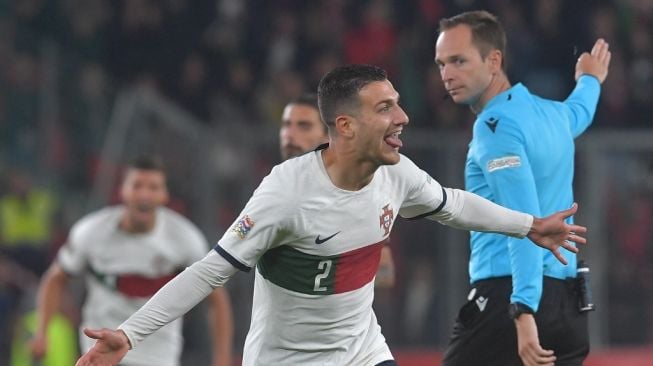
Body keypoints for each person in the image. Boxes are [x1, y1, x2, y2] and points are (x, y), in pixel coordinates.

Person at [75, 64, 586, 366]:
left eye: (398, 104)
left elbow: (452, 205)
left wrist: (531, 226)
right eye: (385, 107)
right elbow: (211, 269)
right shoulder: (285, 193)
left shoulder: (397, 174)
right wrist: (129, 334)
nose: (403, 117)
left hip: (362, 351)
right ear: (345, 125)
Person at [434, 10, 611, 366]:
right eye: (441, 64)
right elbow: (581, 112)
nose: (447, 74)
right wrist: (590, 79)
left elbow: (526, 223)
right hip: (569, 305)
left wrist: (524, 309)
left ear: (494, 60)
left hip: (510, 296)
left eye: (459, 61)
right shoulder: (552, 115)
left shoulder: (495, 127)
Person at [31, 156, 234, 366]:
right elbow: (56, 278)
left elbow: (216, 298)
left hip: (158, 357)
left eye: (153, 187)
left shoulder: (185, 239)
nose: (144, 194)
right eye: (137, 186)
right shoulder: (91, 232)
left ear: (164, 195)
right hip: (101, 353)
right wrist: (41, 333)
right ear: (123, 191)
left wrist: (222, 359)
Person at [280, 92, 396, 288]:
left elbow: (385, 274)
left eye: (304, 126)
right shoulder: (273, 188)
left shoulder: (356, 193)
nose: (290, 135)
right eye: (286, 125)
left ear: (328, 135)